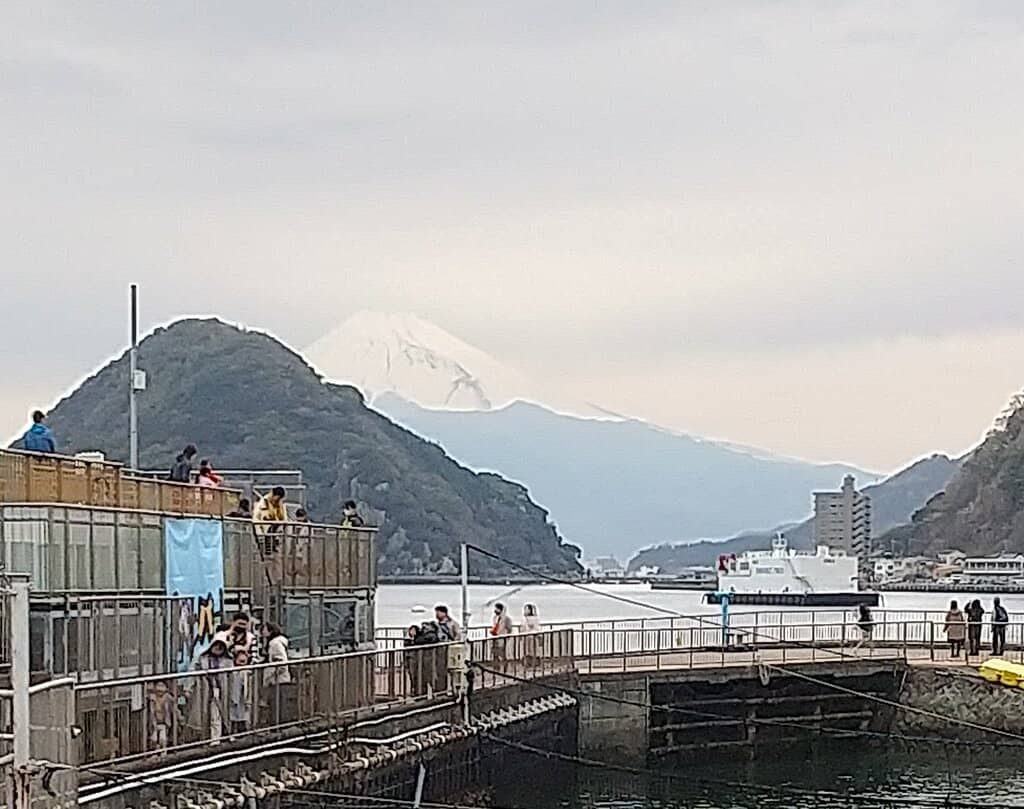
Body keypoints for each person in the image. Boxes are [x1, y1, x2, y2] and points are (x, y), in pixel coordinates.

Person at [186, 631, 231, 743]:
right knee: (204, 713)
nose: (218, 648)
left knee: (217, 713)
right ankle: (205, 737)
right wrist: (188, 687)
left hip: (220, 689)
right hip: (204, 689)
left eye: (221, 647)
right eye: (216, 645)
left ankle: (216, 737)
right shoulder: (202, 658)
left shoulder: (227, 661)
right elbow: (192, 671)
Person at [261, 622, 292, 722]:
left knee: (277, 705)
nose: (262, 631)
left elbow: (281, 661)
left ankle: (278, 725)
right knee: (278, 704)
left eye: (264, 629)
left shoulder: (275, 643)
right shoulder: (278, 642)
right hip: (279, 679)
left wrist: (272, 675)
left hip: (277, 679)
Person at [229, 647, 253, 734]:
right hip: (234, 697)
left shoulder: (249, 672)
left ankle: (243, 731)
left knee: (244, 715)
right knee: (233, 715)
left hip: (244, 698)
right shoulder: (232, 672)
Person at [147, 681, 175, 751]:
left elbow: (174, 702)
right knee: (154, 739)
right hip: (154, 723)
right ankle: (155, 752)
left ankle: (163, 752)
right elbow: (151, 712)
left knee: (163, 739)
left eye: (162, 686)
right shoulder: (152, 698)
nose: (160, 689)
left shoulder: (167, 697)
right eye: (158, 686)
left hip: (164, 723)